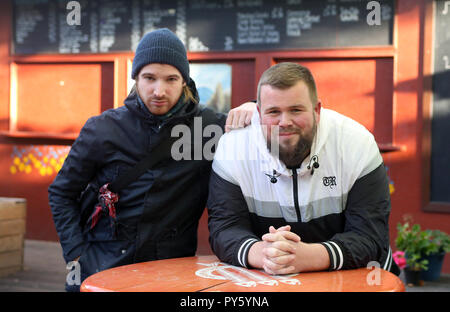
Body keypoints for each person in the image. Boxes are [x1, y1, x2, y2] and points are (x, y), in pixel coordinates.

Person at [48, 28, 255, 291]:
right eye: (149, 78)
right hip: (102, 265)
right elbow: (61, 192)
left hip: (170, 271)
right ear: (135, 79)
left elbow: (271, 123)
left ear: (184, 81)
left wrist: (253, 105)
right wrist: (75, 252)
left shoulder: (209, 128)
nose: (159, 90)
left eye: (171, 79)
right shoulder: (102, 128)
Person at [207, 62, 400, 276]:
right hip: (271, 282)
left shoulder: (356, 143)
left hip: (360, 280)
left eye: (296, 110)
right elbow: (224, 228)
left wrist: (304, 257)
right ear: (259, 114)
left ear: (317, 110)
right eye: (273, 112)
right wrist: (263, 253)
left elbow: (370, 237)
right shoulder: (233, 147)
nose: (285, 121)